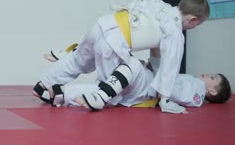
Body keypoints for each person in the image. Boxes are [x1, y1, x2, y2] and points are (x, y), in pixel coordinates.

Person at [32, 0, 210, 114]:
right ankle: (60, 93)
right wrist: (165, 100)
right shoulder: (175, 33)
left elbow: (153, 38)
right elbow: (170, 67)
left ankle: (44, 83)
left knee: (77, 61)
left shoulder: (160, 6)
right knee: (114, 90)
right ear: (192, 19)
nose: (194, 27)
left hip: (102, 24)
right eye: (198, 24)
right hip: (113, 43)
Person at [41, 51, 232, 111]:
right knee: (105, 89)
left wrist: (158, 71)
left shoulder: (196, 89)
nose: (208, 74)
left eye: (213, 78)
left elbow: (174, 91)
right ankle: (62, 93)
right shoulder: (192, 82)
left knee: (128, 62)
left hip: (147, 85)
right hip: (145, 84)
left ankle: (75, 57)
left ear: (212, 91)